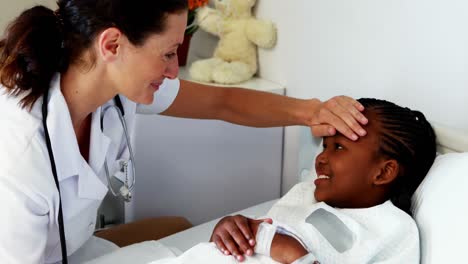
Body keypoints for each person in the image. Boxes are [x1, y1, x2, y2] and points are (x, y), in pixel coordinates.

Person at [0, 0, 368, 263]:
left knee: (180, 227)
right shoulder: (19, 154)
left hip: (75, 247)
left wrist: (312, 111)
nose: (175, 70)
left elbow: (221, 104)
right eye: (168, 53)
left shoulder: (111, 84)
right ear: (112, 44)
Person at [201, 98, 436, 263]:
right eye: (325, 146)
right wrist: (228, 233)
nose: (321, 157)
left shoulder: (393, 230)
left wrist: (293, 254)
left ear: (383, 172)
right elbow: (246, 246)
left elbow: (275, 245)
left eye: (339, 147)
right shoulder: (303, 195)